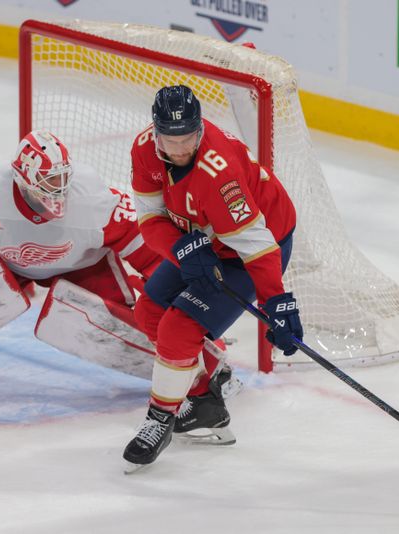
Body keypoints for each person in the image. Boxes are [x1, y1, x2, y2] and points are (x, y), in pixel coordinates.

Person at [0, 130, 227, 393]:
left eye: (61, 180)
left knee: (133, 322)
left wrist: (184, 305)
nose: (57, 192)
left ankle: (200, 368)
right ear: (21, 179)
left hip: (85, 266)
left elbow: (149, 251)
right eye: (46, 184)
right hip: (3, 260)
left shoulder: (93, 197)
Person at [123, 85, 303, 471]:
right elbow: (150, 219)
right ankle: (205, 402)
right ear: (156, 132)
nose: (181, 147)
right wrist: (183, 249)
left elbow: (256, 246)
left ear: (200, 127)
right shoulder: (143, 150)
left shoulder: (220, 175)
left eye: (188, 136)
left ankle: (159, 420)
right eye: (171, 138)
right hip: (203, 237)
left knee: (177, 330)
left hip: (253, 249)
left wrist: (277, 302)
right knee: (149, 314)